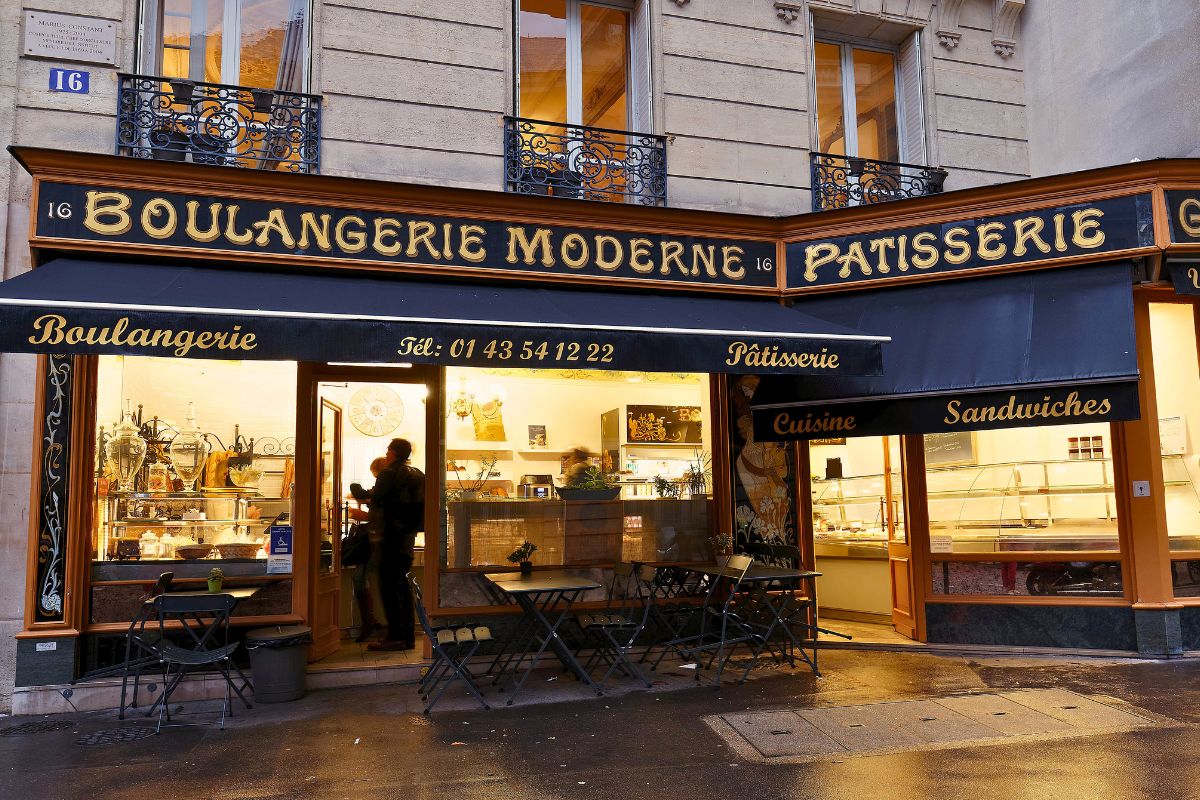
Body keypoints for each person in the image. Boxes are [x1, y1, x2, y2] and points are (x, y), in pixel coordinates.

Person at [367, 438, 424, 651]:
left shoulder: (388, 474)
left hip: (389, 538)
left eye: (388, 450)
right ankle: (407, 636)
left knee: (389, 588)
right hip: (407, 538)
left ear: (391, 453)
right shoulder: (418, 474)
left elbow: (377, 503)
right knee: (402, 587)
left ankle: (395, 636)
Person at [347, 457, 387, 642]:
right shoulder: (385, 487)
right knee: (362, 578)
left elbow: (384, 516)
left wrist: (364, 514)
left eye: (376, 475)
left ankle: (370, 623)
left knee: (361, 578)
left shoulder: (387, 487)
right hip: (378, 542)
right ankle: (371, 621)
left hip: (378, 542)